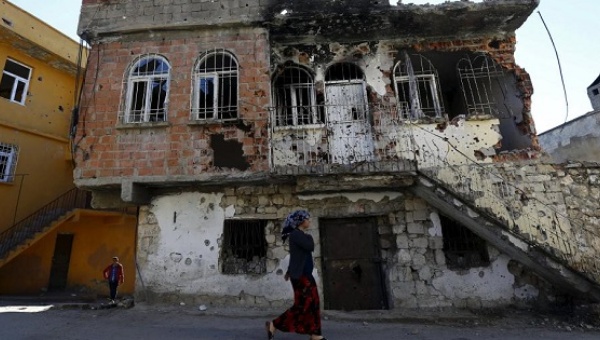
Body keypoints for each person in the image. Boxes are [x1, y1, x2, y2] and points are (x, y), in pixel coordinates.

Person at [265, 210, 327, 340]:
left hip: (303, 275)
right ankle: (274, 324)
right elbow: (310, 246)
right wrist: (309, 237)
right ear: (301, 221)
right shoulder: (296, 235)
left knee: (312, 304)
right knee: (303, 306)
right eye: (307, 219)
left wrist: (288, 271)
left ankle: (315, 334)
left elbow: (296, 256)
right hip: (301, 277)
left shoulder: (299, 235)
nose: (309, 221)